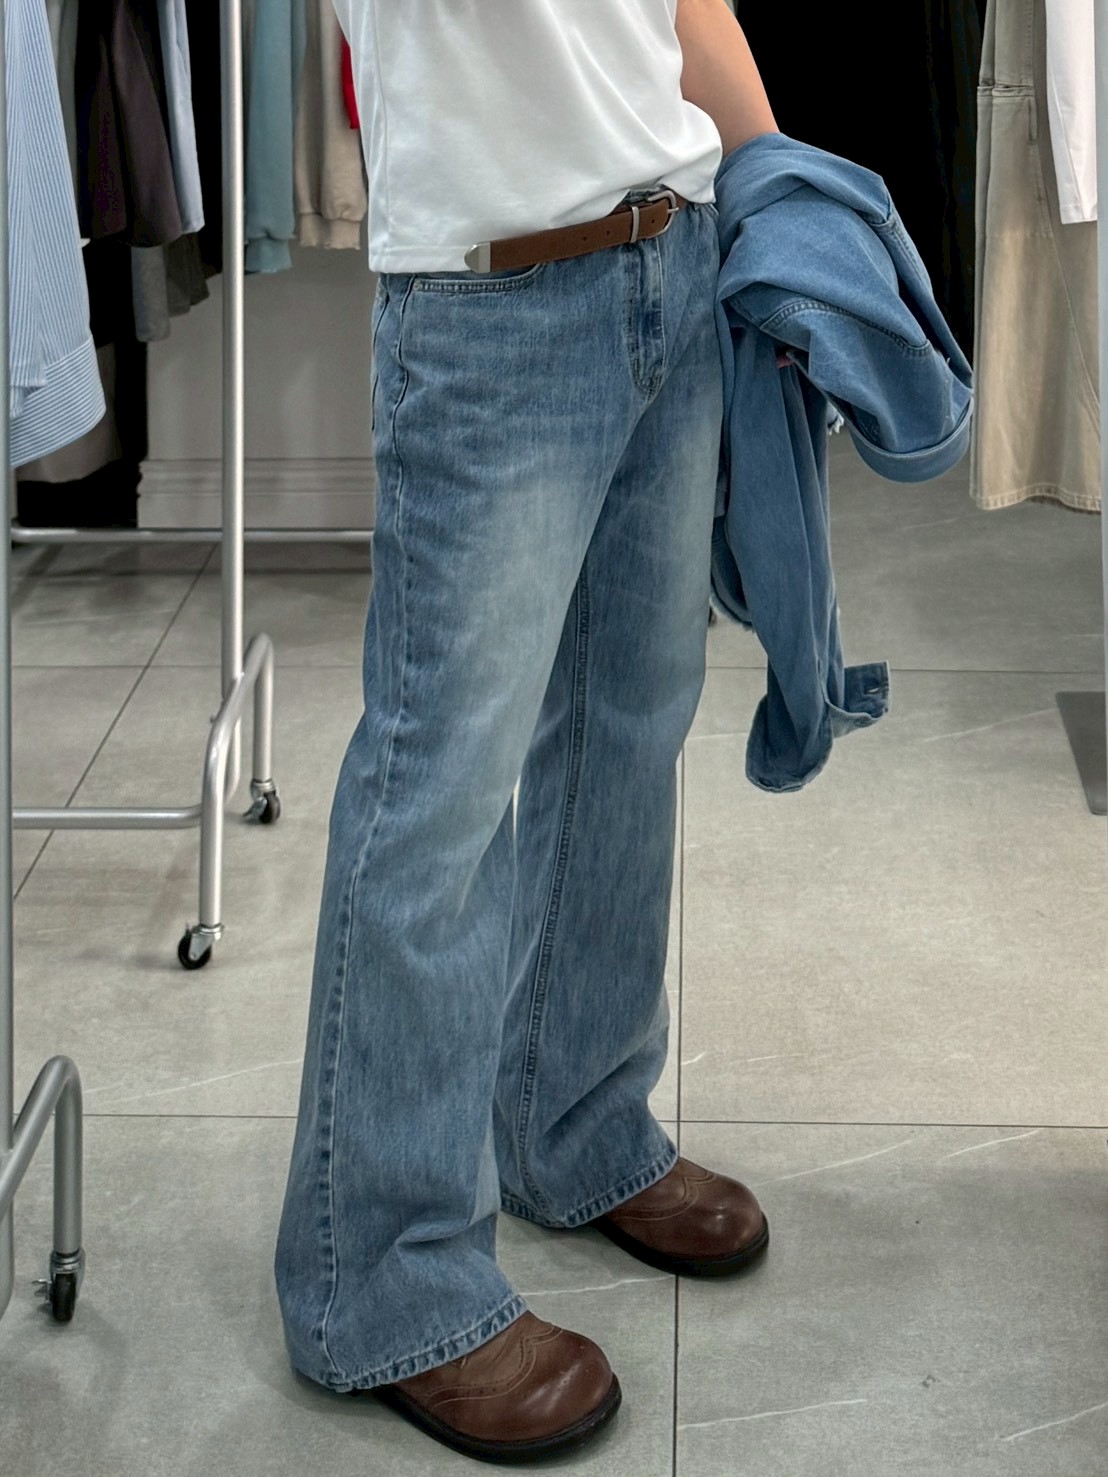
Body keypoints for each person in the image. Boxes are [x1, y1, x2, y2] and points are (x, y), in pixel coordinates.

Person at [275, 0, 778, 1464]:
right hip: (492, 297)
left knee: (632, 719)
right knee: (441, 787)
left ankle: (580, 1123)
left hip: (673, 255)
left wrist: (784, 191)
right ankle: (383, 1277)